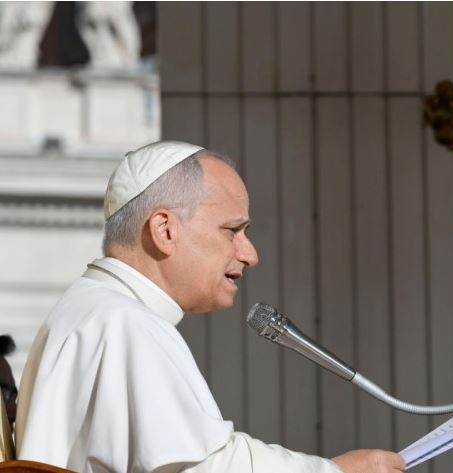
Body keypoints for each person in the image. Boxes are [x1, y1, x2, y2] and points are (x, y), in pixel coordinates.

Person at [14, 142, 405, 473]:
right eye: (232, 230)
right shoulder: (122, 322)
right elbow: (203, 468)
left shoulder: (95, 309)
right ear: (164, 230)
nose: (250, 254)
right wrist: (335, 472)